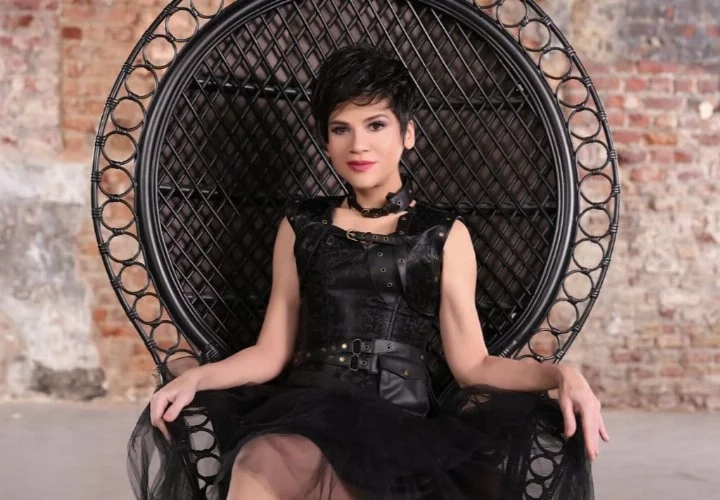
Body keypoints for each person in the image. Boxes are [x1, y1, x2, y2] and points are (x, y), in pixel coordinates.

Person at [128, 43, 608, 500]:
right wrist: (197, 378)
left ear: (408, 134)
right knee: (258, 461)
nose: (358, 145)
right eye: (341, 129)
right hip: (307, 410)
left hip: (400, 423)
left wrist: (560, 374)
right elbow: (271, 353)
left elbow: (473, 366)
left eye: (376, 124)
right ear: (326, 140)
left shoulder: (442, 235)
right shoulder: (302, 226)